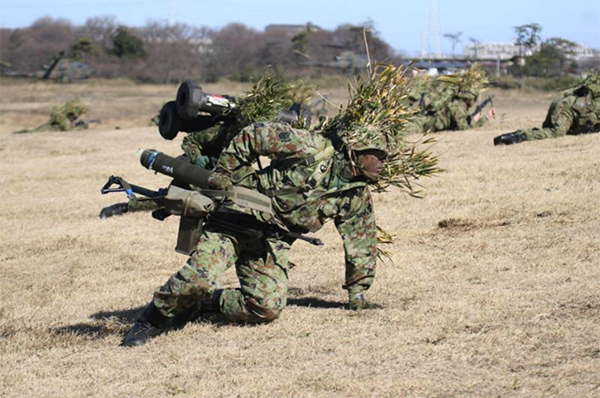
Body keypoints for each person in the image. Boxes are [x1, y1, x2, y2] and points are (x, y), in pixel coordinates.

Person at [121, 122, 387, 347]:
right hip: (236, 218)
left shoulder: (356, 196)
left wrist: (358, 293)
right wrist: (224, 173)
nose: (383, 164)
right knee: (198, 279)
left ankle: (204, 304)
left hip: (271, 242)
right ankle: (151, 319)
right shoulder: (312, 148)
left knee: (265, 308)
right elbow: (254, 135)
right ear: (356, 150)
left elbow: (360, 241)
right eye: (378, 155)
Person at [494, 71, 600, 145]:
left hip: (562, 104)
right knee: (556, 133)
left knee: (546, 131)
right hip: (566, 108)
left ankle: (512, 135)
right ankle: (517, 138)